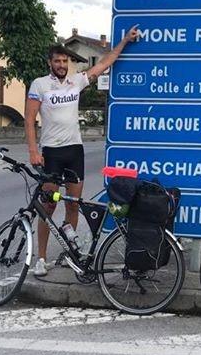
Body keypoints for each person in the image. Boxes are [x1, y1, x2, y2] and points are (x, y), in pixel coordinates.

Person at [25, 25, 139, 276]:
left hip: (74, 151)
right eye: (57, 61)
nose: (62, 65)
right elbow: (29, 118)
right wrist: (33, 151)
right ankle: (41, 258)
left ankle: (69, 254)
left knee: (73, 206)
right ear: (50, 63)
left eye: (65, 61)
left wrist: (124, 41)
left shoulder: (76, 81)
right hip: (51, 152)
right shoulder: (40, 85)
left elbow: (105, 63)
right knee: (48, 206)